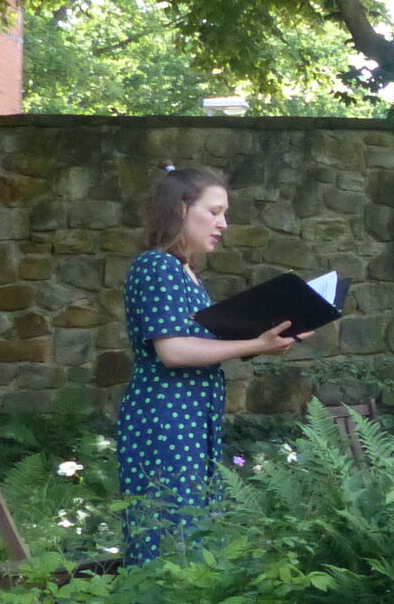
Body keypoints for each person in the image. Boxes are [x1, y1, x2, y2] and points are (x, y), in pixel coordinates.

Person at [118, 165, 301, 563]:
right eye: (215, 212)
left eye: (225, 214)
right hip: (165, 417)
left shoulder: (186, 271)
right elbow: (174, 351)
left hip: (190, 415)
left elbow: (206, 343)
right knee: (170, 530)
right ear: (182, 208)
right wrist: (254, 343)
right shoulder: (158, 265)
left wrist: (273, 336)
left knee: (195, 528)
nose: (224, 224)